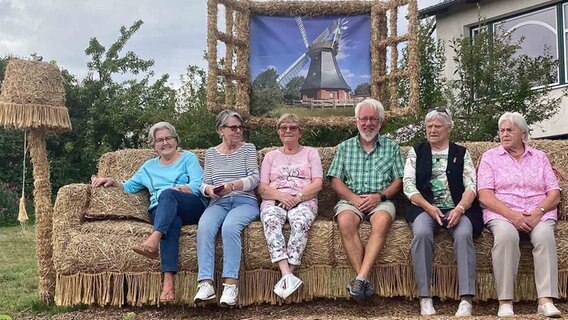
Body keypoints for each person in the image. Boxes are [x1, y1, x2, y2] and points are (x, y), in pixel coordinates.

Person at [91, 121, 207, 303]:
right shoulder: (148, 167)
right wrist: (112, 181)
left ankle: (153, 239)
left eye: (168, 138)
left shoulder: (188, 159)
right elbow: (129, 186)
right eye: (159, 140)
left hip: (191, 205)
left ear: (176, 140)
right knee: (172, 222)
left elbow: (197, 185)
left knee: (167, 194)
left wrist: (177, 190)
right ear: (154, 145)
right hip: (163, 211)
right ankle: (168, 284)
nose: (165, 143)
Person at [477, 112, 561, 318]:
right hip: (503, 212)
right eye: (502, 130)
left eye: (509, 130)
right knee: (506, 237)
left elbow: (554, 193)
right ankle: (505, 301)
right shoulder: (490, 158)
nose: (504, 134)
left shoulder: (539, 157)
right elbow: (485, 195)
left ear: (522, 134)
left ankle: (546, 301)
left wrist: (537, 212)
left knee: (544, 237)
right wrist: (513, 216)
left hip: (537, 212)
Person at [403, 108, 483, 317]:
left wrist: (460, 208)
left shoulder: (461, 153)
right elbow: (408, 185)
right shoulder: (417, 151)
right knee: (421, 233)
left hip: (457, 207)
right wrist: (429, 207)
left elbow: (471, 186)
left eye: (437, 126)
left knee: (464, 233)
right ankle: (425, 297)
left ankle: (466, 299)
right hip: (424, 207)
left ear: (448, 128)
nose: (432, 130)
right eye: (429, 126)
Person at [327, 98, 404, 302]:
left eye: (373, 119)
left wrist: (380, 196)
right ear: (357, 121)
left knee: (381, 221)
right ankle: (364, 281)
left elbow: (399, 181)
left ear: (380, 122)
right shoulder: (344, 147)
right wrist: (353, 198)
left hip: (381, 199)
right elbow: (335, 180)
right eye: (364, 119)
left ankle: (360, 278)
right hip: (351, 199)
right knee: (345, 221)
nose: (368, 123)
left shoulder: (392, 147)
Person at [193, 109, 260, 307]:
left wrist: (233, 185)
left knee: (230, 227)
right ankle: (205, 284)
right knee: (204, 228)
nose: (238, 131)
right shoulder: (211, 154)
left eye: (240, 127)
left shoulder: (248, 149)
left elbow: (255, 179)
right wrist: (210, 190)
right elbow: (203, 183)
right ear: (220, 130)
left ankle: (231, 284)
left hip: (245, 201)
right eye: (233, 127)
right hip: (218, 202)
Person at [258, 113, 323, 299]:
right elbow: (262, 188)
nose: (288, 131)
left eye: (292, 128)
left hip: (303, 199)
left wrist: (298, 197)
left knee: (300, 221)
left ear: (299, 132)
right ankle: (287, 274)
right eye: (284, 127)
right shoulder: (270, 156)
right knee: (270, 220)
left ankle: (288, 274)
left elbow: (318, 184)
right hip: (274, 199)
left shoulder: (311, 153)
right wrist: (281, 195)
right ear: (279, 132)